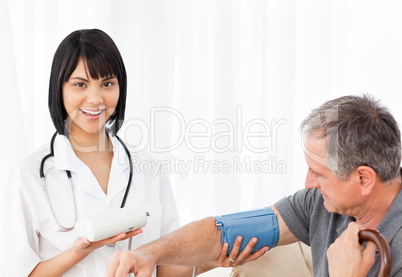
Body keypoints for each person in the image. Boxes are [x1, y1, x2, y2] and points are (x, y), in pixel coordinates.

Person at [0, 29, 265, 277]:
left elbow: (165, 267)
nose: (96, 99)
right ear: (59, 88)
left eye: (107, 83)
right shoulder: (28, 177)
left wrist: (211, 260)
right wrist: (79, 251)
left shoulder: (146, 169)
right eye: (80, 84)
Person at [106, 95, 402, 277]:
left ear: (363, 179)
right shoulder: (320, 204)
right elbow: (222, 231)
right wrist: (148, 253)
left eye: (318, 173)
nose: (308, 183)